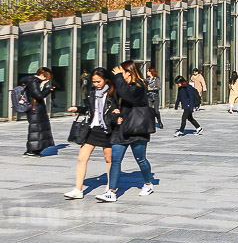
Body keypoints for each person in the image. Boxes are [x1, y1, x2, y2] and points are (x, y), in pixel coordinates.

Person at [96, 61, 154, 202]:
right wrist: (115, 116)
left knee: (140, 159)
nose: (117, 75)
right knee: (116, 159)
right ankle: (111, 191)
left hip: (136, 128)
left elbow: (128, 95)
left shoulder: (140, 86)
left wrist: (118, 78)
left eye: (121, 72)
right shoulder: (119, 86)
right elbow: (114, 105)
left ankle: (148, 184)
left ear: (129, 72)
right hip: (121, 129)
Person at [64, 67, 115, 199]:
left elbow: (116, 109)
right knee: (82, 158)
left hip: (107, 129)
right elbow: (91, 109)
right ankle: (78, 189)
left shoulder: (113, 93)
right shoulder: (92, 92)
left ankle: (110, 187)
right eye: (94, 82)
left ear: (106, 80)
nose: (96, 84)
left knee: (109, 159)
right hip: (92, 128)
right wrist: (78, 108)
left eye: (99, 81)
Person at [21, 67, 55, 157]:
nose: (46, 80)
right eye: (46, 78)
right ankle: (31, 150)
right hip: (34, 109)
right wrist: (48, 90)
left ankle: (35, 149)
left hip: (37, 108)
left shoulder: (34, 81)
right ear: (41, 75)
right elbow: (39, 96)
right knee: (35, 130)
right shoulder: (33, 82)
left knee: (39, 129)